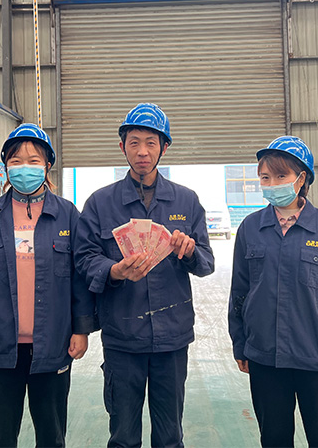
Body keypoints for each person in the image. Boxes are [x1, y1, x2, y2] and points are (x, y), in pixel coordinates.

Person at [74, 103, 215, 448]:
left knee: (170, 436)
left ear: (164, 147)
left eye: (151, 143)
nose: (142, 152)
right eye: (134, 142)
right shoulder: (100, 203)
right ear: (122, 146)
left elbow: (206, 263)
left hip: (172, 340)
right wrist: (113, 270)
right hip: (122, 338)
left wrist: (189, 252)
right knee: (123, 436)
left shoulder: (186, 201)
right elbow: (84, 258)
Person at [0, 124, 96, 448]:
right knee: (0, 436)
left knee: (51, 435)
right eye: (16, 161)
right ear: (6, 167)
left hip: (54, 346)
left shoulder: (67, 217)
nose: (24, 168)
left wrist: (81, 329)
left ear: (47, 165)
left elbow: (80, 278)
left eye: (33, 161)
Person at [228, 136, 318, 448]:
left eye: (281, 176)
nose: (272, 184)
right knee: (274, 438)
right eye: (265, 177)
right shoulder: (250, 228)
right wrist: (240, 344)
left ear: (301, 179)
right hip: (266, 358)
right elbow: (240, 292)